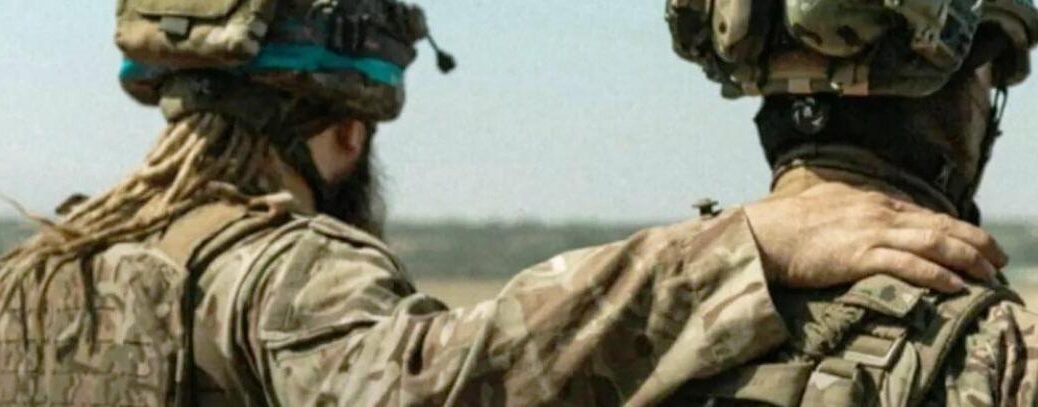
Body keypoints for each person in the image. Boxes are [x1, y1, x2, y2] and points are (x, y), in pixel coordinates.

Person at [0, 0, 1010, 405]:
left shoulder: (34, 274)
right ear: (348, 129)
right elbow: (433, 385)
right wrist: (739, 245)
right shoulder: (274, 272)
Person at [663, 0, 1038, 405]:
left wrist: (744, 244)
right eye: (989, 80)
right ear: (963, 95)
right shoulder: (1010, 358)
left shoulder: (652, 322)